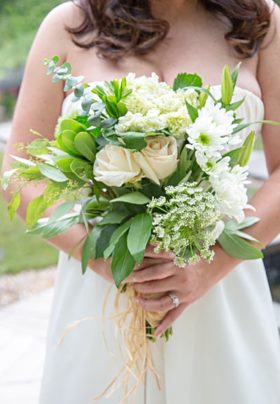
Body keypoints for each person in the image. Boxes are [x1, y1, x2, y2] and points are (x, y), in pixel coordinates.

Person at [2, 0, 280, 403]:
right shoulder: (69, 25)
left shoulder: (261, 23)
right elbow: (17, 174)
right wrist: (106, 261)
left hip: (223, 289)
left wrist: (210, 265)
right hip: (102, 296)